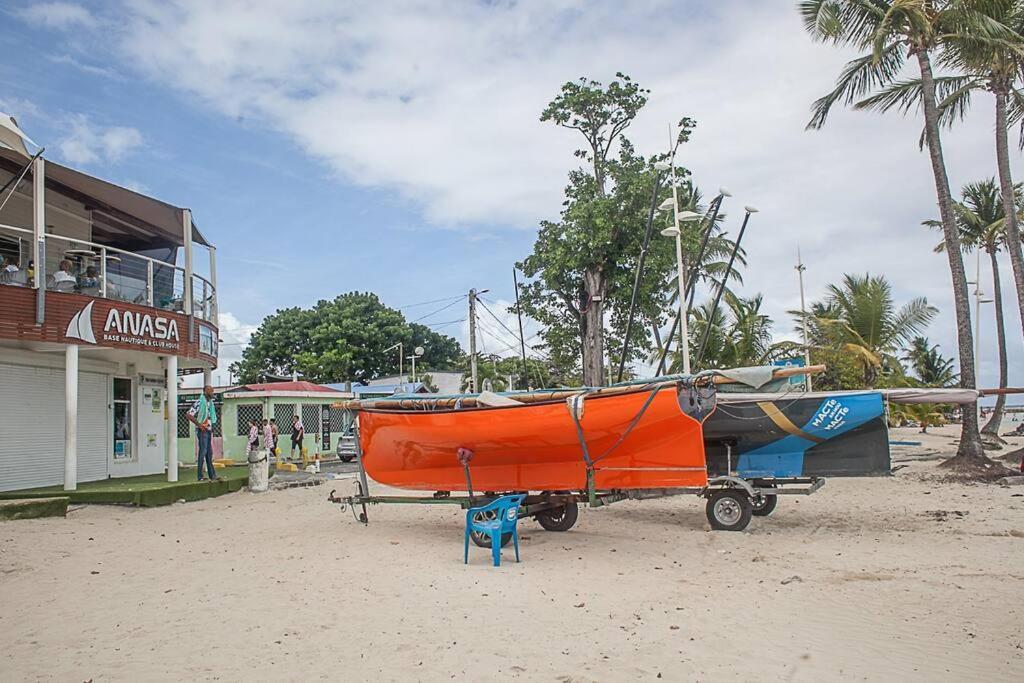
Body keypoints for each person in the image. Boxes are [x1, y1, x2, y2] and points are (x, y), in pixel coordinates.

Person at [186, 385, 220, 481]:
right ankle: (200, 476)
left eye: (213, 391)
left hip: (208, 430)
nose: (212, 393)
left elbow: (211, 417)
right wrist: (199, 425)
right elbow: (188, 414)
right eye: (210, 391)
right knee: (203, 452)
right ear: (205, 391)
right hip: (202, 431)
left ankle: (212, 475)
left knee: (209, 453)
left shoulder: (210, 403)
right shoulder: (200, 402)